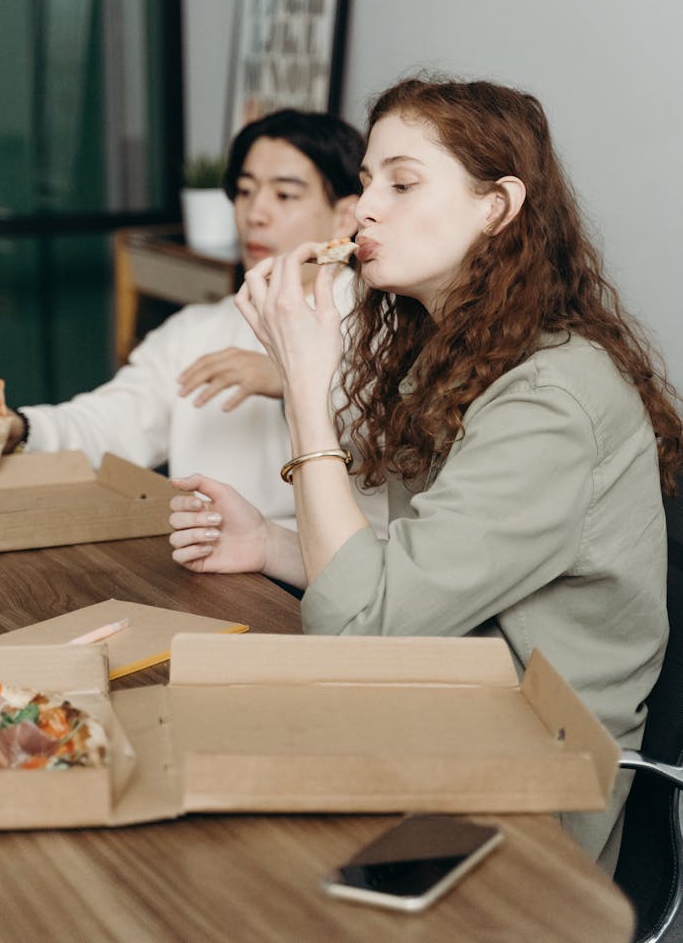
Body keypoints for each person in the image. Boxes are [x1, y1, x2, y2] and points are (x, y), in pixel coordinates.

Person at [168, 75, 682, 870]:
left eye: (402, 183)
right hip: (440, 706)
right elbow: (415, 580)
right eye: (368, 181)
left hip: (522, 790)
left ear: (497, 206)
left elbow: (359, 628)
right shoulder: (452, 361)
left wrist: (304, 384)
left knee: (220, 845)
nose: (366, 206)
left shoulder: (548, 400)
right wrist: (271, 547)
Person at [0, 109, 386, 531]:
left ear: (345, 215)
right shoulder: (197, 328)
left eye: (284, 194)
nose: (255, 213)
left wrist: (294, 380)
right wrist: (21, 427)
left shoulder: (386, 324)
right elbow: (115, 420)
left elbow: (399, 447)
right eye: (245, 191)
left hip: (321, 570)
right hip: (208, 552)